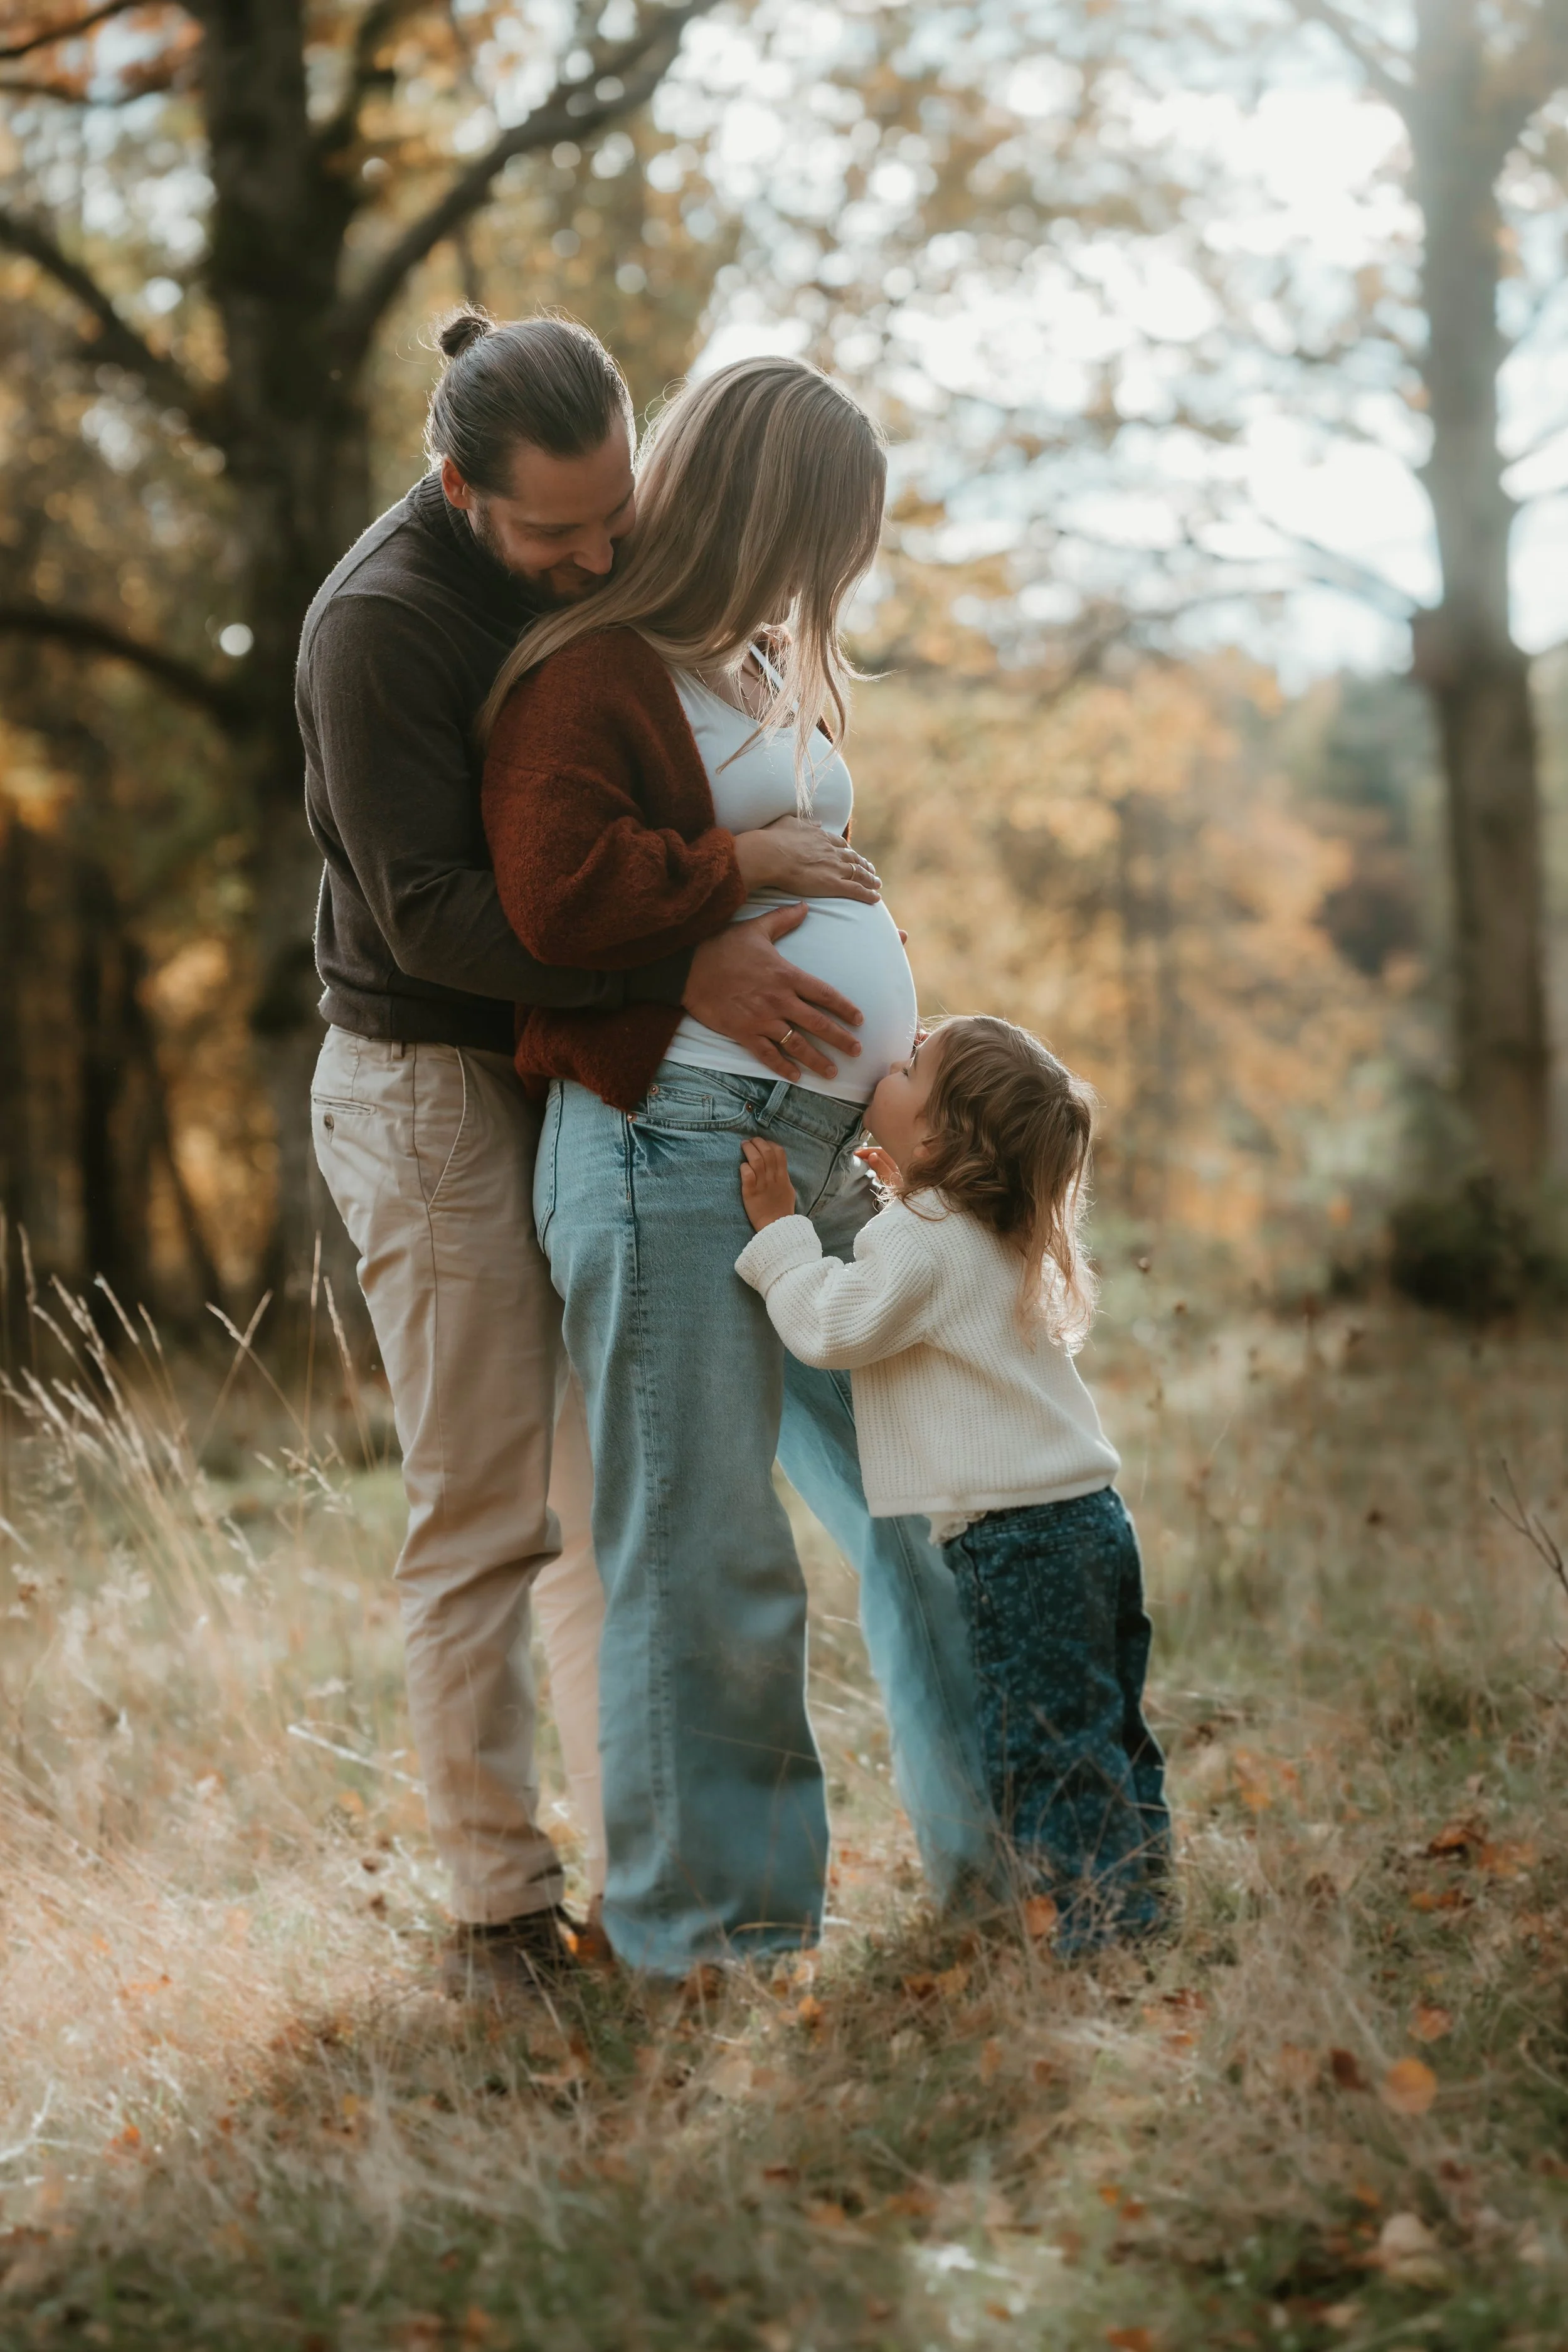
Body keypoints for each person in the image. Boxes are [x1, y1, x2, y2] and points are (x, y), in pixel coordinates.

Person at [299, 312, 872, 1994]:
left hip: (571, 1074)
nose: (601, 550)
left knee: (599, 1492)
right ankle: (493, 1901)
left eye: (617, 511)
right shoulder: (379, 626)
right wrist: (684, 943)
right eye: (558, 532)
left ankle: (648, 1886)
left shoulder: (582, 562)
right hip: (429, 1086)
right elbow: (444, 918)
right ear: (459, 483)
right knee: (488, 1505)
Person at [481, 354, 1000, 1978]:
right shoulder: (591, 671)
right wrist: (735, 868)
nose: (830, 574)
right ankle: (712, 1937)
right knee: (706, 1552)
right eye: (824, 533)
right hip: (670, 1144)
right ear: (768, 508)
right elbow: (552, 900)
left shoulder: (754, 653)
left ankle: (1008, 1869)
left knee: (941, 1500)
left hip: (831, 1154)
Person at [736, 1015, 1174, 1954]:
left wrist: (780, 1236)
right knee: (1106, 1725)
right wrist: (903, 1196)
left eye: (907, 1067)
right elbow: (930, 1274)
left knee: (1045, 1750)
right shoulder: (990, 1226)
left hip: (1016, 1542)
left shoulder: (926, 1239)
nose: (885, 1065)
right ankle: (1143, 1897)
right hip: (1093, 1524)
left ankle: (1100, 1941)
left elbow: (832, 1329)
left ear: (938, 1138)